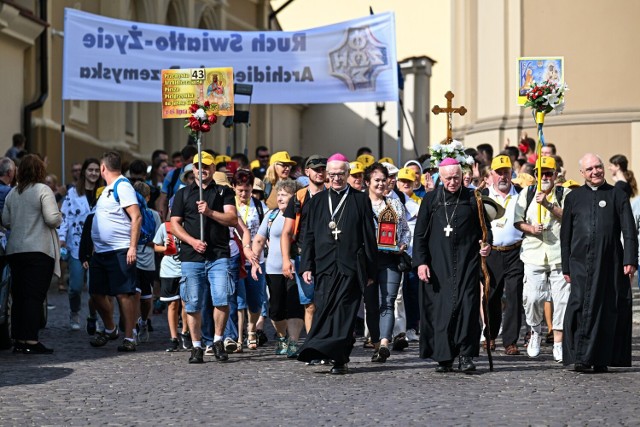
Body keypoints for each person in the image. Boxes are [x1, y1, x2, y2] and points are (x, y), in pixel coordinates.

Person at [297, 153, 377, 375]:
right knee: (324, 310)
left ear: (348, 174)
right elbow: (309, 235)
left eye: (340, 174)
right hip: (324, 266)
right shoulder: (319, 201)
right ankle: (322, 350)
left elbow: (368, 236)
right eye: (331, 175)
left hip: (350, 266)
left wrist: (370, 270)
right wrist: (306, 266)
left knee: (344, 313)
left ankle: (340, 358)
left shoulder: (360, 200)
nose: (335, 179)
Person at [561, 153, 638, 373]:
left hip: (609, 262)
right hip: (579, 263)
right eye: (590, 169)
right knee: (578, 306)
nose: (595, 172)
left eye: (598, 167)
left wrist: (630, 259)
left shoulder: (616, 195)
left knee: (606, 310)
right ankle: (580, 357)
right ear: (582, 173)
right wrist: (566, 265)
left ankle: (601, 357)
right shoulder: (573, 198)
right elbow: (566, 235)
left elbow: (629, 230)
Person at [413, 158, 492, 372]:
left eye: (456, 177)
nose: (453, 182)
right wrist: (421, 263)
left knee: (467, 308)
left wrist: (486, 246)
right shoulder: (431, 200)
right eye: (448, 178)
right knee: (442, 311)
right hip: (438, 266)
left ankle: (466, 355)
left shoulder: (473, 197)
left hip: (467, 263)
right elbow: (419, 235)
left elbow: (486, 230)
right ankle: (444, 356)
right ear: (440, 177)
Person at [170, 151, 238, 364]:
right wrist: (192, 241)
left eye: (207, 166)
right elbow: (174, 224)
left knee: (221, 298)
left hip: (218, 254)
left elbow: (232, 218)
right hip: (192, 256)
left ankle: (217, 340)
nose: (202, 171)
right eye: (199, 167)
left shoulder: (223, 191)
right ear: (193, 169)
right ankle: (197, 345)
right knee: (192, 303)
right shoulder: (183, 194)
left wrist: (209, 212)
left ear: (213, 169)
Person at [2, 154, 62, 354]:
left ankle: (19, 339)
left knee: (19, 296)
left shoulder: (13, 193)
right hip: (38, 250)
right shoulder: (42, 190)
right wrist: (60, 215)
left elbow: (6, 221)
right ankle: (30, 340)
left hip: (15, 251)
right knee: (34, 297)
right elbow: (52, 219)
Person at [513, 156, 570, 362]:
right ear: (535, 175)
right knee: (532, 297)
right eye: (541, 173)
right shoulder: (526, 193)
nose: (545, 177)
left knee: (562, 300)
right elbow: (517, 221)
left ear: (555, 175)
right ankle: (535, 331)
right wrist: (531, 228)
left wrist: (547, 205)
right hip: (533, 253)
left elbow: (570, 217)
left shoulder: (564, 194)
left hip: (558, 254)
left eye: (549, 173)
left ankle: (558, 341)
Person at [88, 151, 142, 352]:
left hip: (120, 250)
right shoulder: (107, 189)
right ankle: (111, 328)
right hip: (101, 252)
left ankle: (129, 337)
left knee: (123, 294)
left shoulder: (123, 186)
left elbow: (136, 217)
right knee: (96, 293)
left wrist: (132, 247)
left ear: (103, 168)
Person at [252, 179, 305, 357]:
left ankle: (293, 342)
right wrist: (254, 261)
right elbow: (259, 239)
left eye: (286, 195)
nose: (281, 198)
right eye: (279, 194)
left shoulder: (300, 215)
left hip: (294, 267)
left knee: (294, 305)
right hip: (273, 269)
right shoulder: (272, 215)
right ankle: (282, 337)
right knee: (276, 309)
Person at [365, 163, 411, 363]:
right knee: (371, 305)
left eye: (384, 180)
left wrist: (402, 244)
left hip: (390, 259)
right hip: (367, 261)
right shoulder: (360, 204)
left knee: (388, 301)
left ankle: (384, 343)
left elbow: (406, 230)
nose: (381, 184)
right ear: (368, 182)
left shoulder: (395, 204)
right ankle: (376, 343)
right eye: (377, 180)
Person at [281, 155, 327, 334]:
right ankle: (312, 342)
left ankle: (325, 340)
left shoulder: (332, 195)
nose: (320, 173)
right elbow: (286, 232)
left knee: (326, 302)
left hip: (327, 255)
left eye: (323, 169)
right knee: (309, 304)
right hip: (303, 255)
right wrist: (286, 260)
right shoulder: (299, 197)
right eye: (316, 169)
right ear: (307, 172)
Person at [484, 155, 524, 355]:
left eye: (506, 172)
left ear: (511, 173)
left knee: (514, 295)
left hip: (515, 251)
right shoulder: (482, 195)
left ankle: (510, 341)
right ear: (491, 174)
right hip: (492, 253)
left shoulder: (523, 194)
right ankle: (490, 335)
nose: (502, 176)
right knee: (491, 296)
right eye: (498, 172)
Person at [58, 158, 102, 331]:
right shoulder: (73, 193)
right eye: (90, 170)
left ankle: (93, 317)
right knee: (75, 288)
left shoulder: (104, 192)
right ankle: (74, 311)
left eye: (96, 170)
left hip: (97, 246)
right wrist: (62, 237)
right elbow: (65, 217)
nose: (93, 173)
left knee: (95, 288)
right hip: (76, 244)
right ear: (84, 171)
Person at [232, 169, 267, 351]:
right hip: (236, 260)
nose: (244, 194)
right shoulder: (230, 206)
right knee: (239, 301)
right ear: (234, 188)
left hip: (256, 259)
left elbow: (265, 230)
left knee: (255, 300)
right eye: (240, 190)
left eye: (247, 190)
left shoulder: (260, 207)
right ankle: (238, 337)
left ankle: (251, 329)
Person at [396, 167, 422, 342]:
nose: (405, 184)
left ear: (414, 183)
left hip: (412, 253)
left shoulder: (419, 202)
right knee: (398, 294)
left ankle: (412, 326)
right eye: (402, 181)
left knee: (412, 293)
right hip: (397, 254)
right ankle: (397, 329)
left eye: (408, 181)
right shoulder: (392, 199)